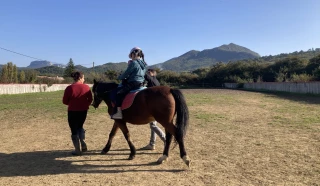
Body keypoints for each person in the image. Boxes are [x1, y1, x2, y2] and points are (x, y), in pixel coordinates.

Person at [111, 47, 147, 119]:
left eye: (131, 55)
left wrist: (119, 77)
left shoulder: (134, 63)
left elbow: (126, 73)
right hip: (141, 83)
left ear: (134, 54)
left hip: (133, 82)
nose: (131, 57)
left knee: (119, 93)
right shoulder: (144, 64)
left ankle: (118, 113)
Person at [63, 71, 93, 155]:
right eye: (83, 78)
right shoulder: (86, 87)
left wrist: (72, 103)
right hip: (83, 111)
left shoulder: (69, 88)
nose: (84, 79)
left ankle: (77, 150)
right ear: (80, 78)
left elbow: (64, 101)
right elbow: (90, 99)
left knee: (74, 130)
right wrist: (85, 105)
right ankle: (82, 142)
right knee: (80, 126)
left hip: (72, 111)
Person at [140, 69, 166, 150]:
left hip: (154, 107)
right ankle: (152, 144)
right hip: (156, 105)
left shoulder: (152, 80)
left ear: (151, 73)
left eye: (148, 72)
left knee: (153, 125)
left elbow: (146, 75)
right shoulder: (155, 81)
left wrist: (141, 68)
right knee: (153, 125)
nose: (147, 74)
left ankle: (165, 140)